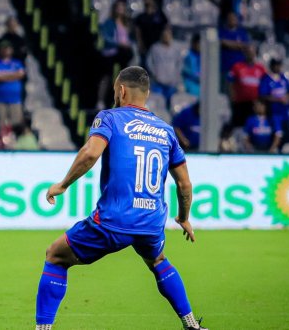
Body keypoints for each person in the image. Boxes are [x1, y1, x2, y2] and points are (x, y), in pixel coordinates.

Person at [35, 66, 206, 330]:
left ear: (121, 90)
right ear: (147, 95)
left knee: (55, 255)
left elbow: (91, 154)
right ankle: (191, 324)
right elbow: (184, 184)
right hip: (151, 223)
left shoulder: (110, 118)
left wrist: (63, 184)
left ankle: (42, 329)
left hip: (114, 220)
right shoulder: (166, 130)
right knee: (158, 260)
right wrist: (184, 218)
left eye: (116, 89)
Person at [227, 45, 266, 127]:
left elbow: (264, 85)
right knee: (238, 125)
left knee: (251, 125)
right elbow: (230, 83)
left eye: (252, 52)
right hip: (240, 102)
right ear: (244, 53)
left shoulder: (260, 68)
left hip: (254, 103)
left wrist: (260, 101)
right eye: (248, 52)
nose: (250, 54)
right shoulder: (237, 67)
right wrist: (233, 98)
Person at [0, 41, 25, 129]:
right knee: (0, 126)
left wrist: (5, 76)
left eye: (8, 48)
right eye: (4, 48)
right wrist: (14, 75)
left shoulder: (17, 63)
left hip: (15, 100)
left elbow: (21, 75)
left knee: (16, 125)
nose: (6, 50)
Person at [258, 58, 289, 144]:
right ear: (271, 66)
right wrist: (278, 99)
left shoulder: (283, 78)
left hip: (284, 113)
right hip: (272, 113)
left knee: (285, 136)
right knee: (275, 135)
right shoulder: (266, 79)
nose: (277, 67)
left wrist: (287, 98)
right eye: (275, 65)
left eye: (279, 65)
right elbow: (263, 95)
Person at [147, 27, 182, 108]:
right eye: (164, 35)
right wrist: (154, 73)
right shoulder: (155, 48)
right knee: (158, 105)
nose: (166, 37)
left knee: (171, 104)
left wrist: (176, 76)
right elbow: (149, 62)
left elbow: (179, 64)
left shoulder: (176, 49)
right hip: (158, 82)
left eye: (168, 35)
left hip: (171, 83)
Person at [182, 33, 201, 98]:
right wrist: (199, 76)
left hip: (201, 85)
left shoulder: (204, 56)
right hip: (191, 84)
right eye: (198, 43)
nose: (200, 45)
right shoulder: (189, 56)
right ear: (194, 44)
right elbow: (190, 72)